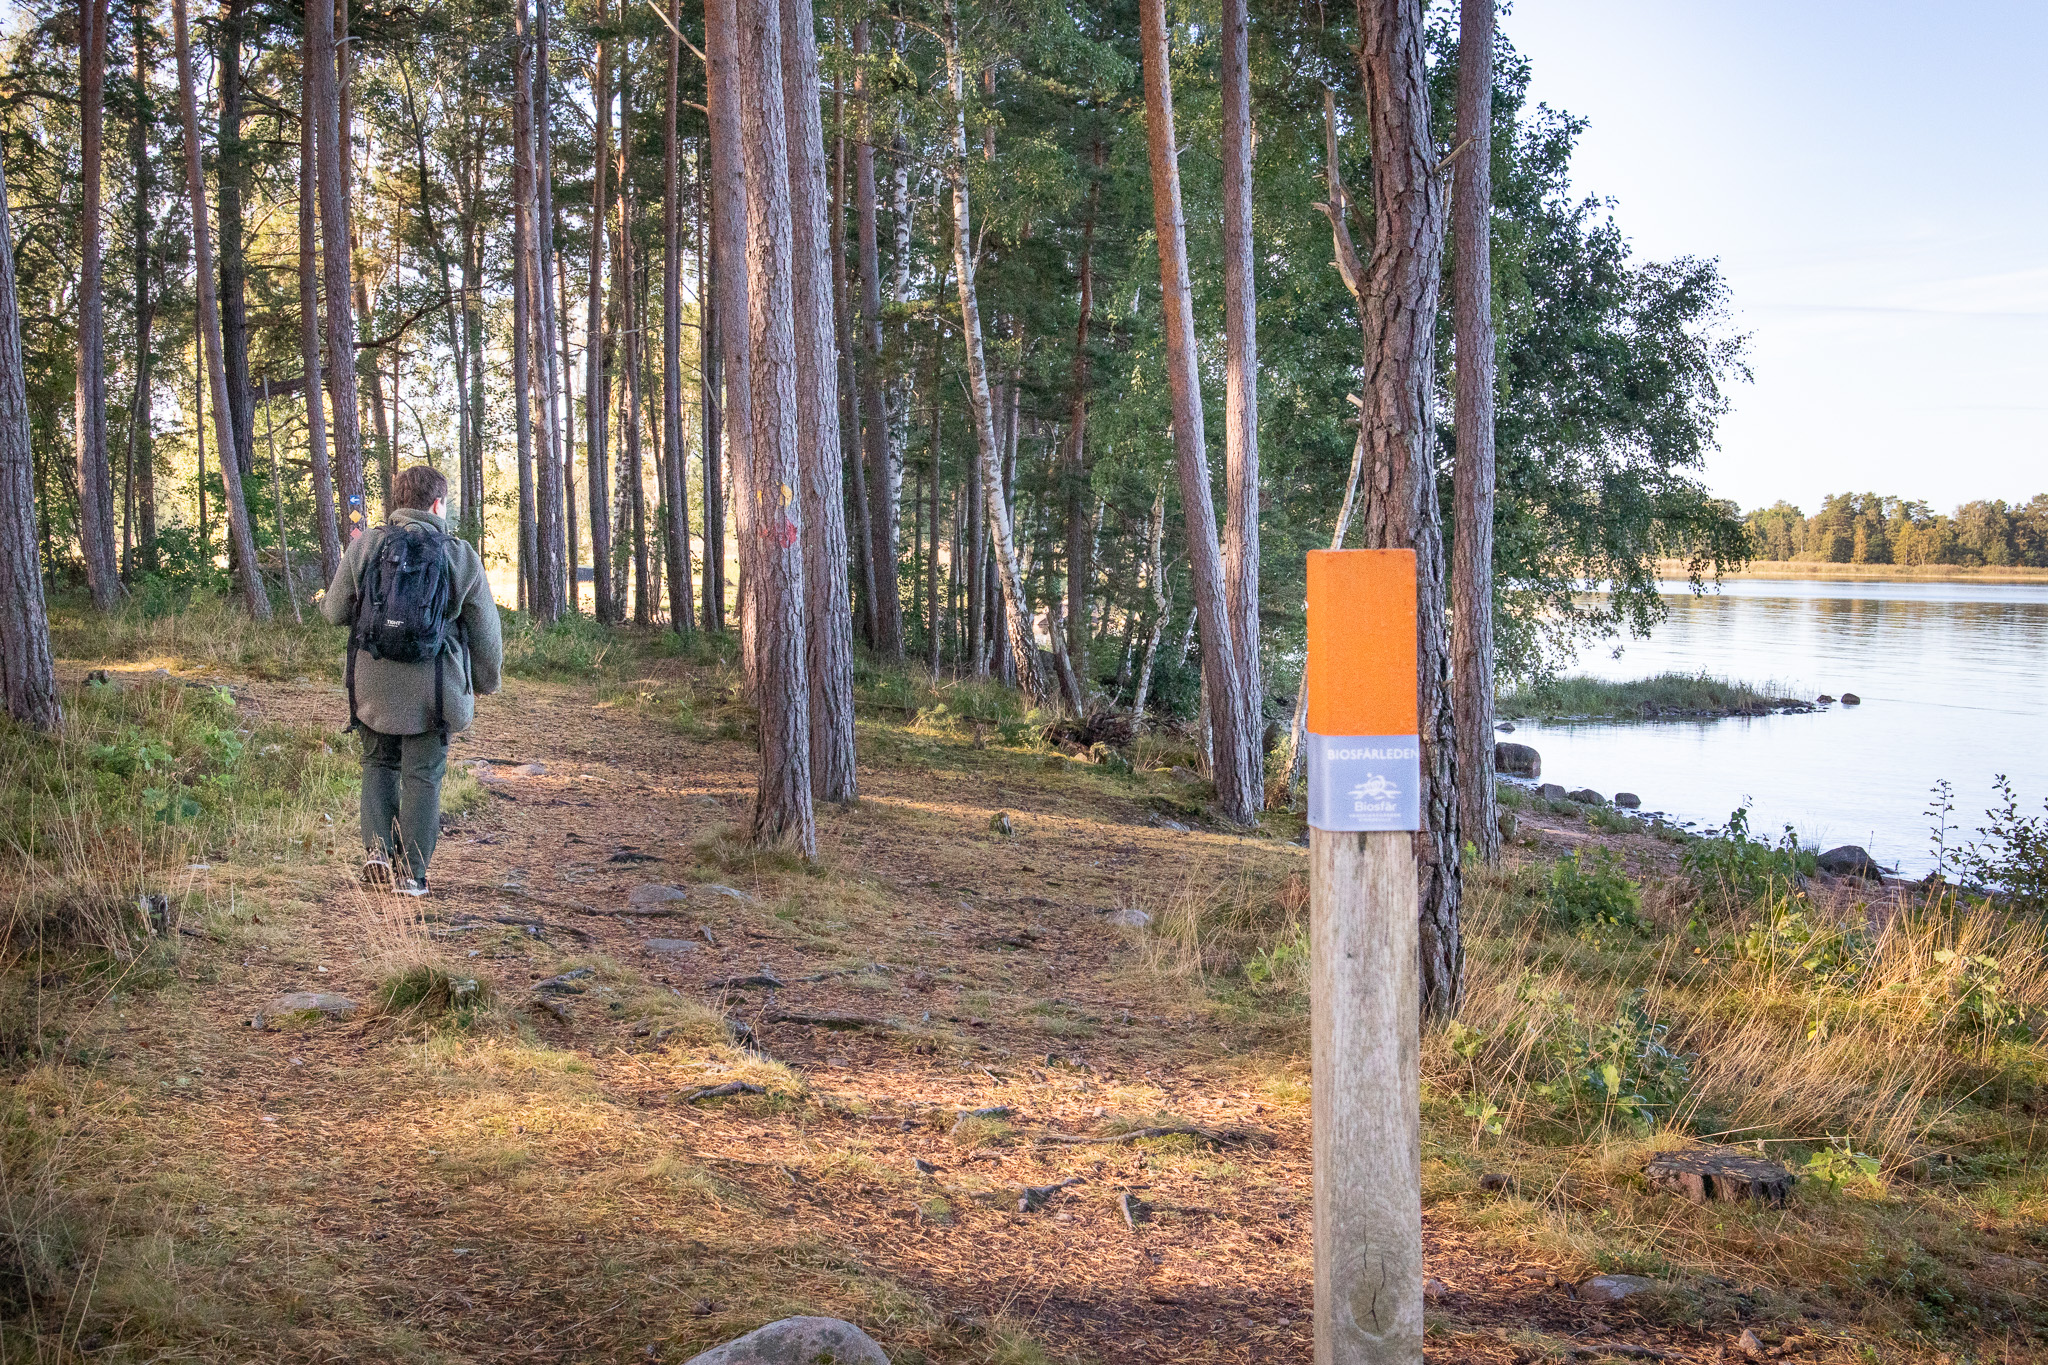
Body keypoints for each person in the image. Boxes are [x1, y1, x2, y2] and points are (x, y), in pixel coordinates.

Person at [320, 465, 502, 896]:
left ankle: (378, 853)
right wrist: (485, 682)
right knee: (422, 774)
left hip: (371, 686)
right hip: (433, 691)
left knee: (378, 763)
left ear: (397, 502)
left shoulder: (367, 545)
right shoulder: (460, 555)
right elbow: (486, 632)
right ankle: (411, 876)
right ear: (438, 504)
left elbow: (333, 612)